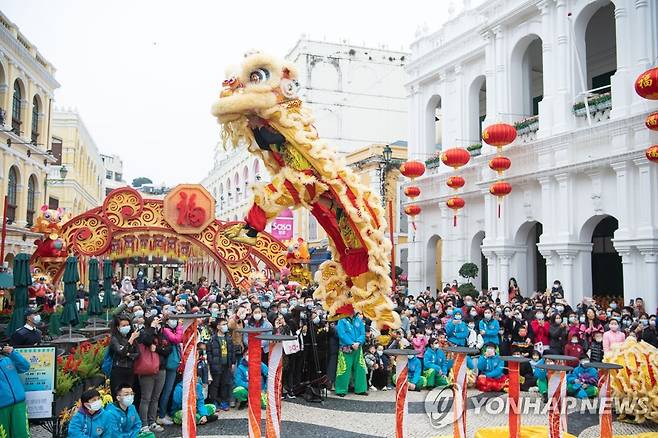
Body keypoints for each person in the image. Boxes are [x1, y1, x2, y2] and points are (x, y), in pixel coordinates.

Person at [136, 315, 167, 433]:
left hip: (161, 368)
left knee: (155, 398)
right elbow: (146, 341)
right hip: (147, 369)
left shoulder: (162, 333)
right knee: (146, 398)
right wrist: (152, 328)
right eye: (155, 320)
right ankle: (143, 424)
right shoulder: (145, 332)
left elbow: (167, 349)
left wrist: (158, 348)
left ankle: (152, 421)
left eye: (159, 320)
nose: (158, 322)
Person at [334, 304, 368, 397]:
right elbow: (342, 334)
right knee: (344, 369)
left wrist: (358, 342)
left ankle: (361, 389)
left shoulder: (358, 320)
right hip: (346, 348)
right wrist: (351, 343)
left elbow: (363, 333)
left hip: (358, 348)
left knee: (360, 368)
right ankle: (341, 390)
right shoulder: (342, 320)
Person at [0, 345, 30, 438]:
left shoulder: (7, 359)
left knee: (22, 435)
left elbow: (25, 366)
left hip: (19, 404)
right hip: (1, 408)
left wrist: (13, 353)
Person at [157, 315, 183, 425]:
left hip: (172, 363)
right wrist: (180, 326)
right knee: (166, 390)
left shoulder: (170, 329)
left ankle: (164, 412)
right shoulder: (166, 330)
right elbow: (177, 339)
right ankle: (161, 414)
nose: (175, 322)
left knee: (168, 389)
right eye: (173, 319)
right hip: (168, 364)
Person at [109, 315, 140, 397]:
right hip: (118, 370)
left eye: (128, 325)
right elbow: (121, 352)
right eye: (123, 325)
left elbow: (137, 354)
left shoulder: (131, 337)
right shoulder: (114, 339)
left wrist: (128, 354)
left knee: (129, 394)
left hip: (130, 370)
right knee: (118, 394)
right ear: (118, 327)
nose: (126, 327)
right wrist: (130, 341)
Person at [207, 318, 234, 410]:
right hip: (216, 365)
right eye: (223, 324)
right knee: (215, 384)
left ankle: (223, 401)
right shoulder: (212, 339)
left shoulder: (228, 338)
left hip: (226, 365)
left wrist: (232, 362)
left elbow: (231, 351)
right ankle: (215, 401)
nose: (225, 326)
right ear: (218, 326)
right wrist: (212, 362)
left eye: (226, 324)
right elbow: (209, 352)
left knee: (225, 383)